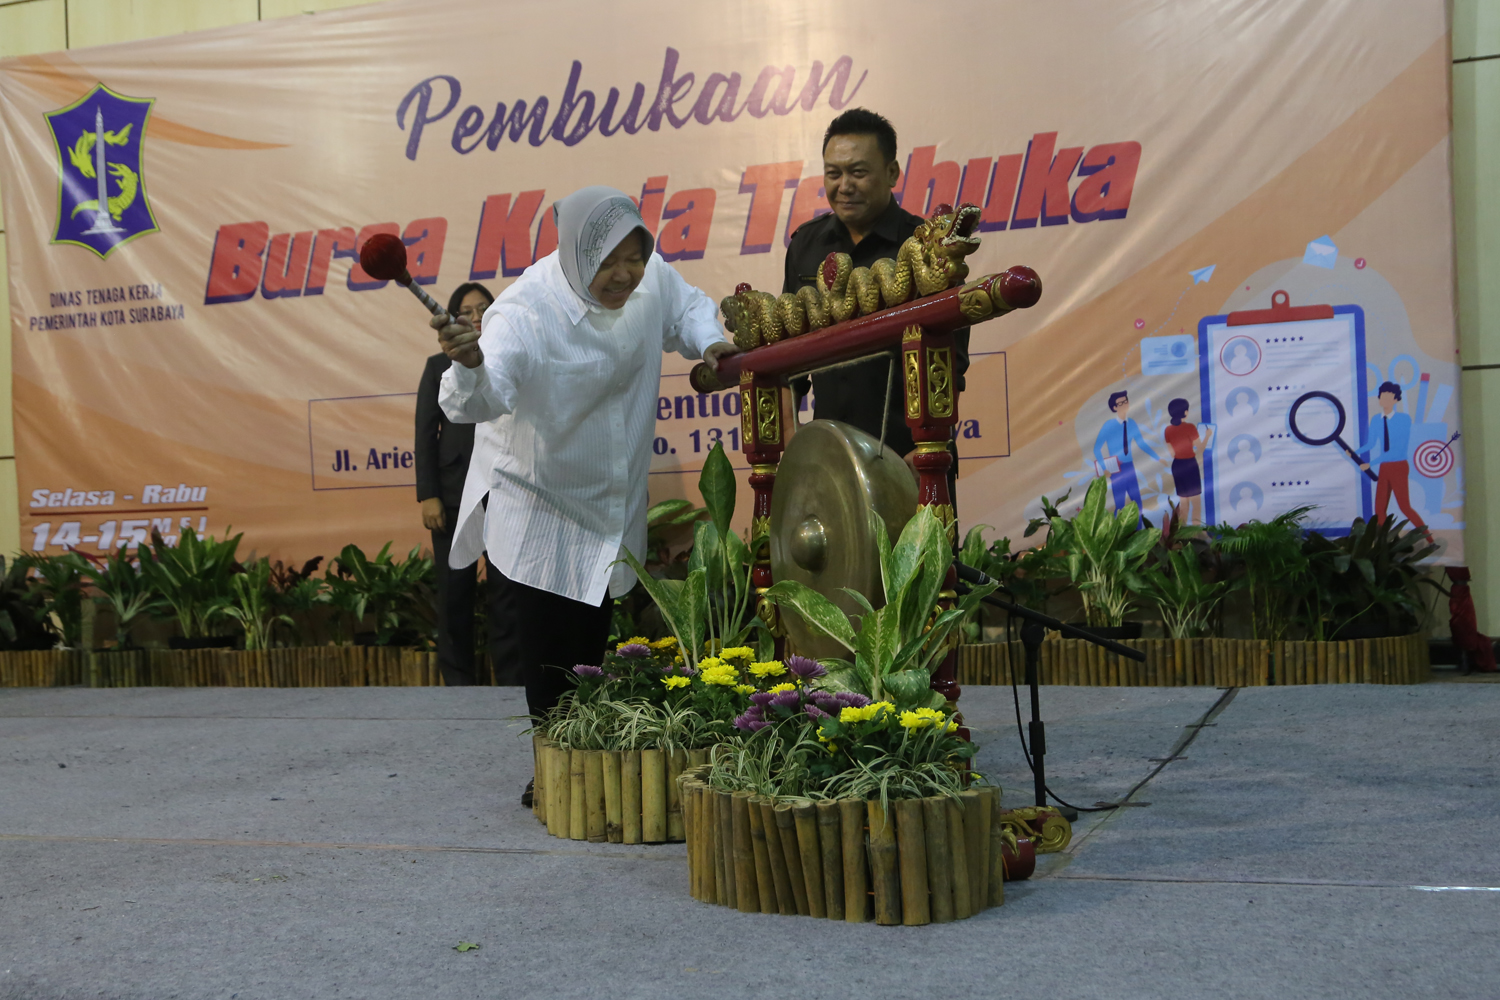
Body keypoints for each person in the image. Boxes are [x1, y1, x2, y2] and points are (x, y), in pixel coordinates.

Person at [434, 186, 736, 787]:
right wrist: (469, 366)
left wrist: (711, 343)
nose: (625, 275)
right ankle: (552, 771)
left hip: (610, 494)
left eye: (635, 257)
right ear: (574, 253)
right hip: (540, 500)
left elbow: (688, 308)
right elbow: (485, 399)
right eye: (608, 262)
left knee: (590, 639)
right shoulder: (524, 311)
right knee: (547, 650)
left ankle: (579, 765)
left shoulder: (650, 281)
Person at [784, 108, 968, 499]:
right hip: (830, 465)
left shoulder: (928, 248)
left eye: (858, 172)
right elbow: (787, 362)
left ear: (892, 172)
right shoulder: (805, 245)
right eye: (833, 173)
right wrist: (793, 448)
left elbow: (952, 365)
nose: (844, 186)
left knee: (922, 563)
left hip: (914, 461)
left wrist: (921, 457)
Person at [416, 281, 517, 688]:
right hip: (455, 492)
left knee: (507, 592)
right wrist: (429, 494)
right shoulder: (437, 367)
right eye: (466, 311)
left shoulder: (511, 357)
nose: (475, 316)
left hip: (505, 488)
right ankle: (457, 682)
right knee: (454, 590)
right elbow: (425, 434)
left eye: (482, 308)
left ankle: (512, 678)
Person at [1351, 380, 1430, 538]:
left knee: (1405, 506)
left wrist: (1370, 464)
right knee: (1379, 509)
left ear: (1396, 399)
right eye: (1382, 397)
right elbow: (1371, 444)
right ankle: (1384, 543)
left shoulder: (1403, 419)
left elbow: (1395, 450)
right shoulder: (1376, 420)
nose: (1384, 400)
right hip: (1385, 467)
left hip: (1398, 465)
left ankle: (1429, 539)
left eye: (1388, 397)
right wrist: (1354, 452)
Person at [1092, 391, 1161, 520]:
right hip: (1115, 469)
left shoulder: (1132, 423)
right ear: (1114, 407)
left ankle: (1141, 533)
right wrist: (1104, 468)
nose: (1124, 405)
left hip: (1129, 466)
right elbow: (1097, 449)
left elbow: (1141, 444)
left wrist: (1158, 457)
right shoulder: (1109, 425)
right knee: (1119, 505)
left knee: (1137, 503)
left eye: (1125, 401)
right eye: (1120, 403)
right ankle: (1119, 537)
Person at [1163, 398, 1211, 526]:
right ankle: (1196, 533)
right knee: (1196, 502)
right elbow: (1200, 448)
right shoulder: (1190, 427)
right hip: (1189, 465)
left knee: (1183, 503)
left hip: (1177, 466)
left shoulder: (1167, 430)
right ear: (1185, 412)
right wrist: (1207, 435)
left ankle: (1182, 532)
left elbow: (1172, 453)